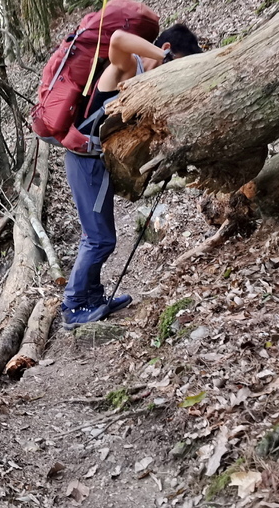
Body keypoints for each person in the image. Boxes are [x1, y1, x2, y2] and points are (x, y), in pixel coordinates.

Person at [62, 23, 203, 329]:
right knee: (99, 240)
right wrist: (163, 61)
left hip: (96, 162)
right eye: (173, 64)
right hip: (85, 161)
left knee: (99, 235)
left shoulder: (146, 79)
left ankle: (94, 299)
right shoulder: (129, 65)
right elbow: (117, 39)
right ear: (165, 52)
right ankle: (72, 308)